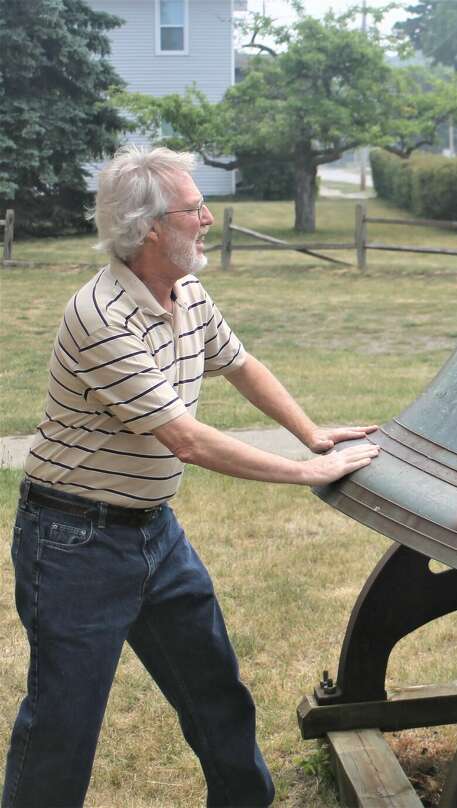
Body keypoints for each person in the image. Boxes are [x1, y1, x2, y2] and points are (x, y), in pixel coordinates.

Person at [3, 146, 380, 807]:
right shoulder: (101, 316)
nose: (207, 218)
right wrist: (305, 471)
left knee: (216, 694)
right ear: (148, 226)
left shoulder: (186, 291)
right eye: (194, 208)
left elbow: (240, 364)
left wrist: (312, 431)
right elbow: (185, 439)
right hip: (74, 543)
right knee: (64, 724)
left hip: (154, 535)